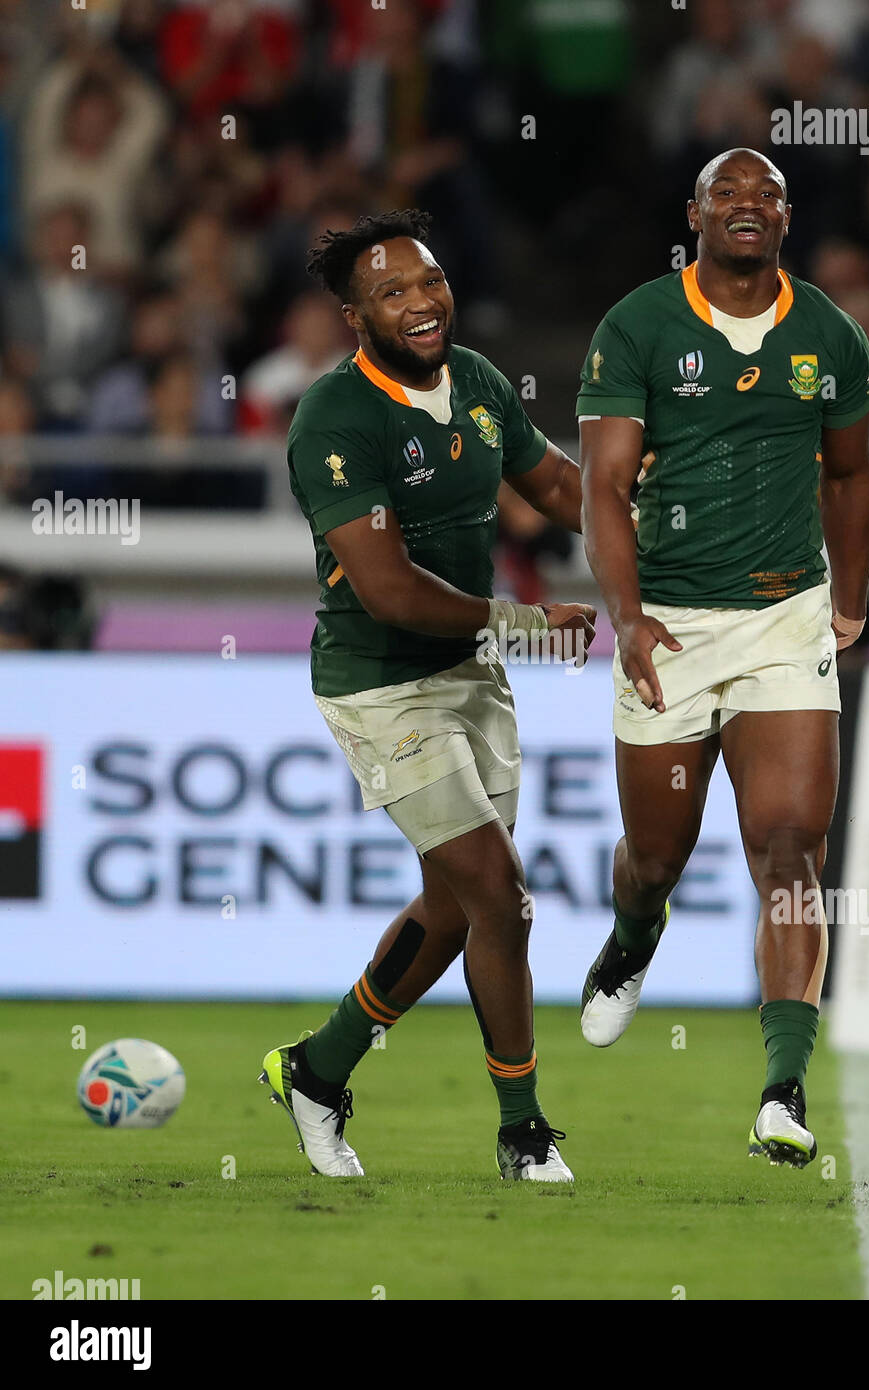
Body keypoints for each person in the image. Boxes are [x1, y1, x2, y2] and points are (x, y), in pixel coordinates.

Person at [261, 208, 593, 1181]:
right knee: (502, 895)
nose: (421, 302)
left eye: (430, 280)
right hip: (380, 684)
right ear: (354, 316)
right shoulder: (334, 418)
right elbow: (389, 590)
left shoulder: (481, 380)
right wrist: (528, 624)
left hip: (471, 676)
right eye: (392, 293)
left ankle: (317, 1070)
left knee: (456, 911)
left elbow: (561, 490)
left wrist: (663, 518)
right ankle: (523, 1131)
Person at [577, 149, 869, 1168]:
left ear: (785, 219)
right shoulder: (638, 325)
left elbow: (848, 472)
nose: (747, 206)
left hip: (781, 617)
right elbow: (602, 488)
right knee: (655, 856)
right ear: (695, 213)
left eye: (767, 196)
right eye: (727, 194)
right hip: (664, 620)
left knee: (790, 850)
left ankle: (782, 1090)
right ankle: (633, 933)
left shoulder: (828, 333)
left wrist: (846, 598)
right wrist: (623, 616)